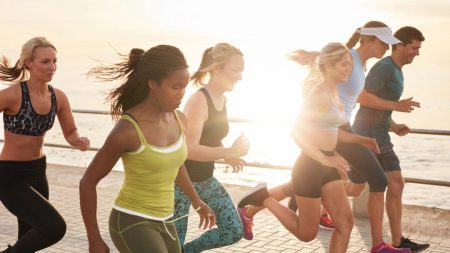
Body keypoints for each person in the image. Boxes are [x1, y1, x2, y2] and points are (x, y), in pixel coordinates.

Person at [238, 42, 376, 253]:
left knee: (345, 225)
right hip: (310, 166)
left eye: (350, 65)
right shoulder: (318, 93)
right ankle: (264, 197)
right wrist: (323, 159)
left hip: (328, 165)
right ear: (329, 67)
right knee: (307, 234)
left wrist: (360, 140)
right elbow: (297, 131)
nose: (349, 69)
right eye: (344, 65)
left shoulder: (334, 92)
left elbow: (330, 131)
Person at [79, 45, 216, 253]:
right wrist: (94, 239)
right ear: (153, 83)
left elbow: (175, 165)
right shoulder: (128, 130)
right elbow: (88, 181)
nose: (181, 94)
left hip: (165, 220)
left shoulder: (180, 120)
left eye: (184, 86)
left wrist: (197, 202)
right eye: (175, 87)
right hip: (131, 220)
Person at [0, 37, 90, 252]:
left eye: (54, 61)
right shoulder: (12, 95)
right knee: (53, 227)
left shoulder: (58, 97)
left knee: (29, 237)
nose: (52, 67)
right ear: (28, 62)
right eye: (45, 62)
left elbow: (70, 131)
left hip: (38, 172)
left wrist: (78, 139)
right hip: (9, 175)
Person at [353, 26, 428, 252]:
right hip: (365, 136)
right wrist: (397, 106)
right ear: (400, 45)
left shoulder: (397, 70)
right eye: (414, 48)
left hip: (382, 136)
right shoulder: (384, 67)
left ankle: (398, 240)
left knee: (396, 183)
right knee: (353, 189)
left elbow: (380, 107)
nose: (417, 52)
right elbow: (362, 97)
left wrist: (393, 125)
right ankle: (303, 189)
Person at [173, 43, 249, 253]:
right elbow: (188, 148)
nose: (240, 76)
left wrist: (228, 155)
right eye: (236, 70)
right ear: (216, 68)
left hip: (205, 180)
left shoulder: (222, 99)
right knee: (173, 245)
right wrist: (228, 152)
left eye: (242, 70)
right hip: (180, 183)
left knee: (233, 230)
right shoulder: (199, 100)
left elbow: (210, 138)